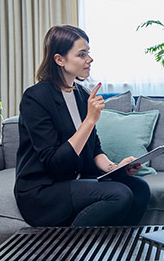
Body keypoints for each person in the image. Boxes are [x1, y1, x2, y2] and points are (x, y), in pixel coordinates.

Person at [15, 25, 150, 227]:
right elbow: (54, 162)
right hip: (44, 190)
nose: (90, 59)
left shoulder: (81, 94)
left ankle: (118, 248)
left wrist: (116, 168)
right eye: (81, 54)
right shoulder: (35, 98)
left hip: (75, 181)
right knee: (118, 195)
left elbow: (94, 150)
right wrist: (90, 120)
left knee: (140, 189)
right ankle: (75, 249)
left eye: (88, 53)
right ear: (59, 59)